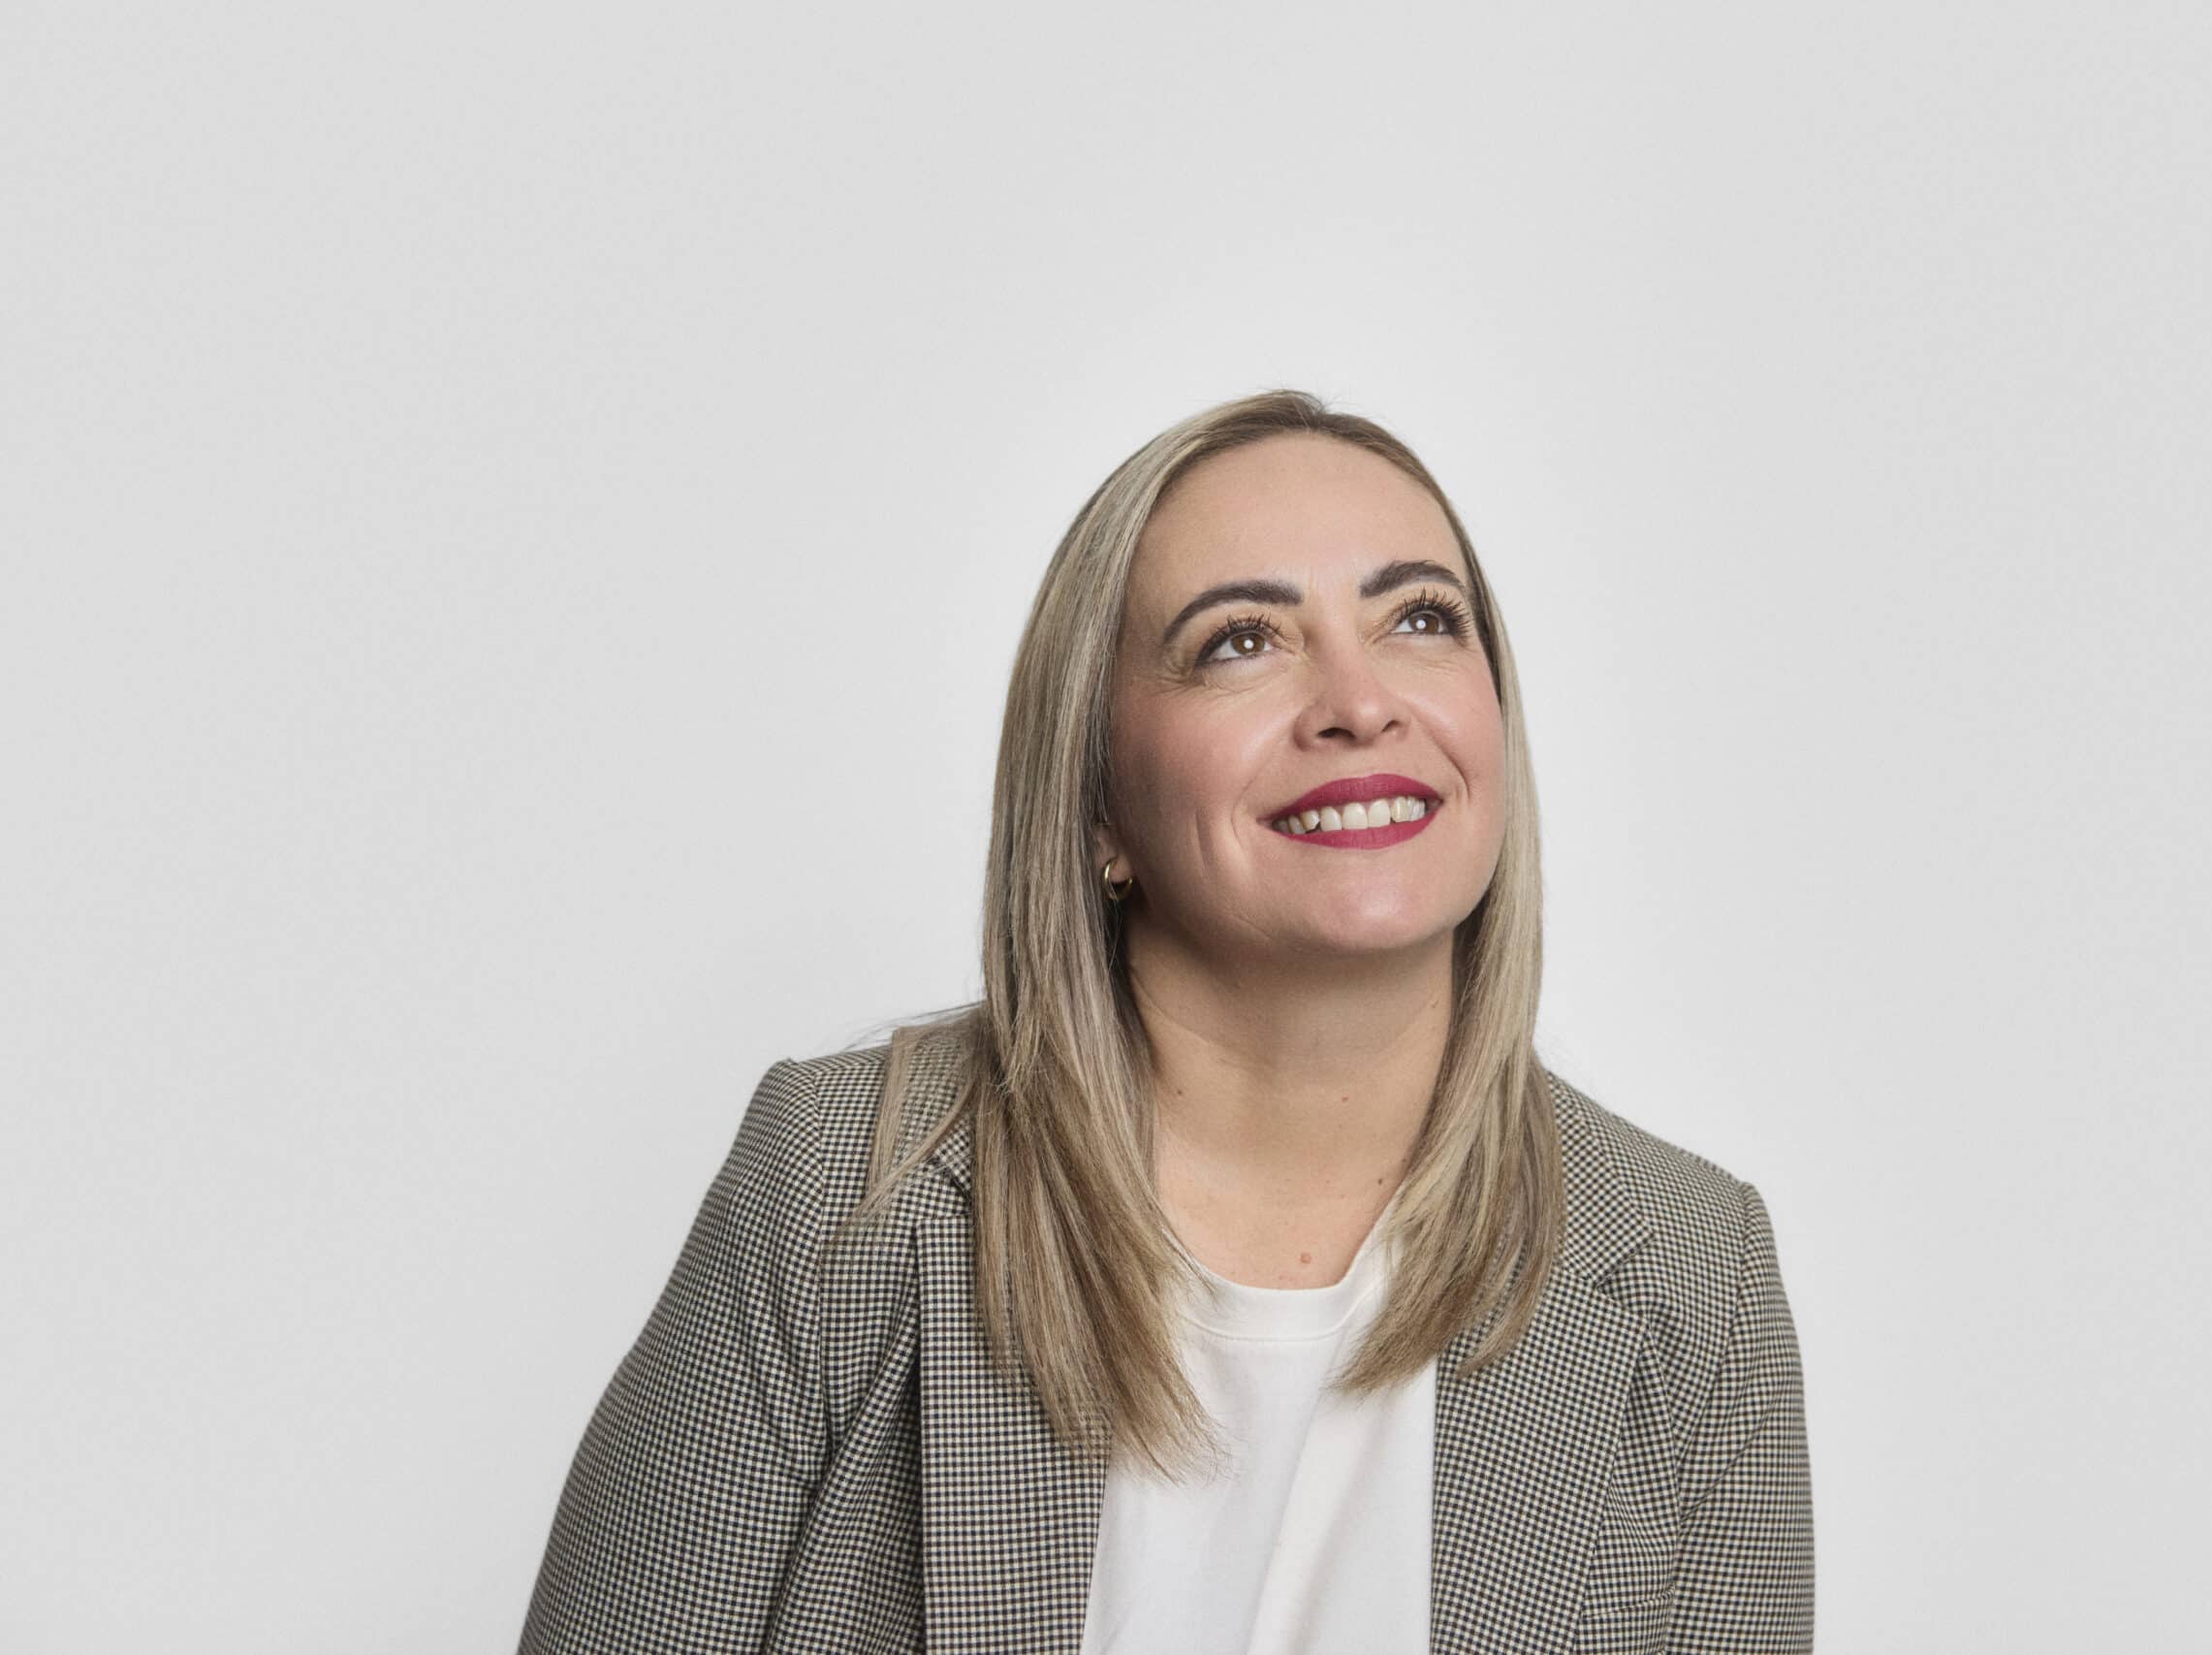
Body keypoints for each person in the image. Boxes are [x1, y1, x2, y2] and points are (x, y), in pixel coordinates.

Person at [517, 389, 1814, 1654]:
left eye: (1422, 618)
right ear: (1099, 806)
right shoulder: (845, 1187)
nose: (1359, 702)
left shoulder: (1691, 1271)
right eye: (1240, 640)